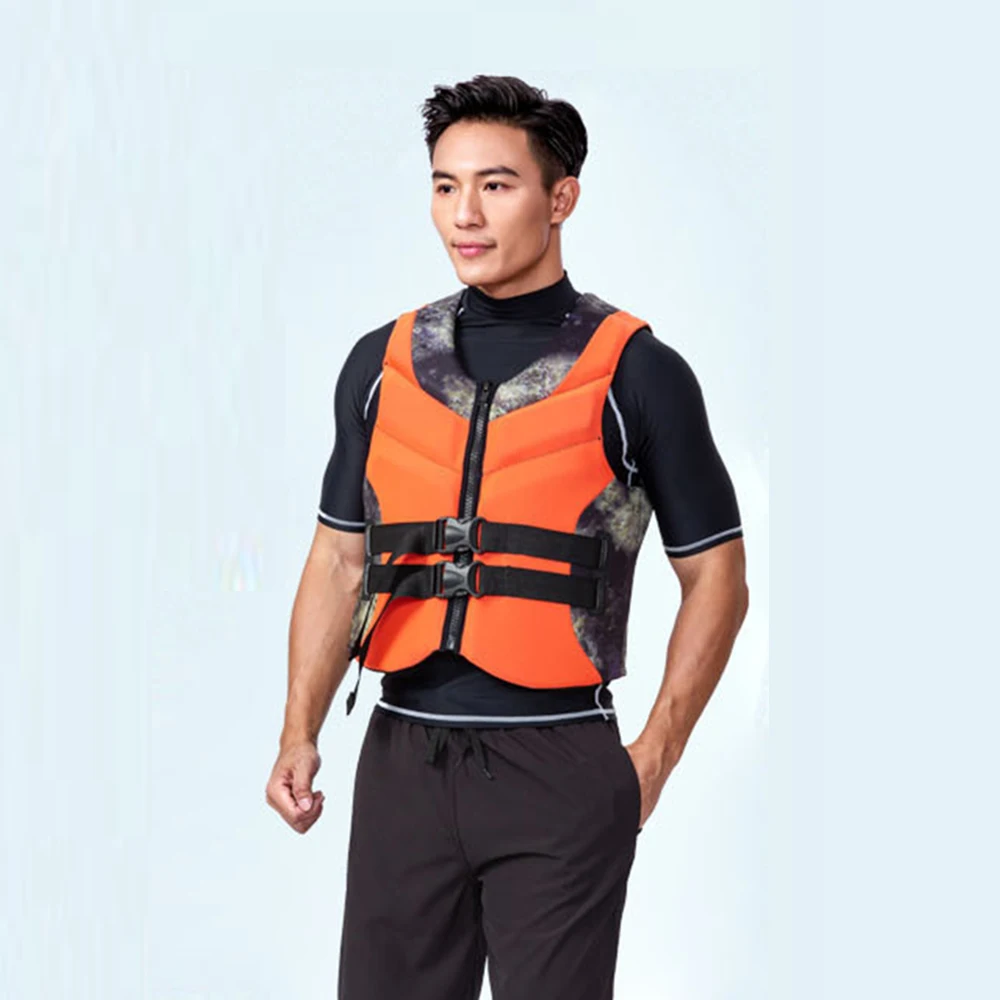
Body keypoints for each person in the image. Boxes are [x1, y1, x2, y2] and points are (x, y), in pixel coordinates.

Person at [266, 74, 750, 1000]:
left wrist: (655, 754)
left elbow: (718, 577)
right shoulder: (380, 364)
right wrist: (299, 730)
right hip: (404, 757)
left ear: (561, 198)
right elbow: (338, 559)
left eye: (496, 185)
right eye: (445, 186)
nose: (465, 214)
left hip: (559, 759)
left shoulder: (638, 373)